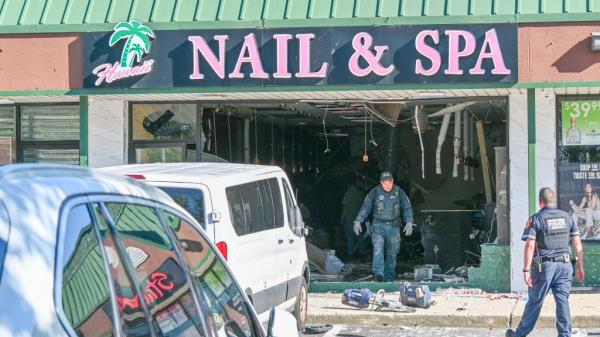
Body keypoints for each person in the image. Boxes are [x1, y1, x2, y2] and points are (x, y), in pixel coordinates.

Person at [506, 187, 585, 337]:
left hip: (545, 268)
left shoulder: (536, 219)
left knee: (535, 301)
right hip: (565, 265)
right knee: (562, 301)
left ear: (540, 202)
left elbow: (529, 245)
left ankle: (519, 334)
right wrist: (580, 266)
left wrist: (525, 270)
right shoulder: (567, 217)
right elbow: (577, 243)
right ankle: (564, 334)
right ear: (554, 201)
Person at [353, 171, 415, 282]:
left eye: (389, 182)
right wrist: (358, 221)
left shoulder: (398, 192)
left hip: (394, 226)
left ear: (393, 181)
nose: (387, 185)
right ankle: (379, 273)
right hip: (378, 225)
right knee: (378, 248)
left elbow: (407, 207)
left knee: (392, 252)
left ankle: (389, 276)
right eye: (385, 183)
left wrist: (409, 222)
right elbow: (366, 207)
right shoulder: (375, 192)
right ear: (381, 182)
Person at [340, 178, 367, 258]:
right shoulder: (361, 194)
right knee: (359, 237)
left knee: (350, 238)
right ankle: (362, 253)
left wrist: (342, 217)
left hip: (349, 219)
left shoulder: (349, 192)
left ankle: (350, 254)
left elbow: (346, 207)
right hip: (358, 220)